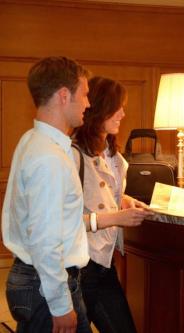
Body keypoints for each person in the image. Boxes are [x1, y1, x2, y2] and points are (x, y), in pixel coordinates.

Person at [2, 56, 92, 332]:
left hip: (35, 281)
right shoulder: (49, 158)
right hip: (45, 286)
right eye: (85, 94)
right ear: (64, 96)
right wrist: (60, 305)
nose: (88, 104)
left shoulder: (32, 140)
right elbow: (44, 239)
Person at [72, 76, 153, 333]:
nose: (122, 113)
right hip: (82, 265)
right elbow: (65, 220)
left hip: (105, 264)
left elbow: (110, 196)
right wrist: (117, 217)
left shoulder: (111, 153)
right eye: (117, 107)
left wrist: (128, 202)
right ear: (99, 109)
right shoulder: (74, 154)